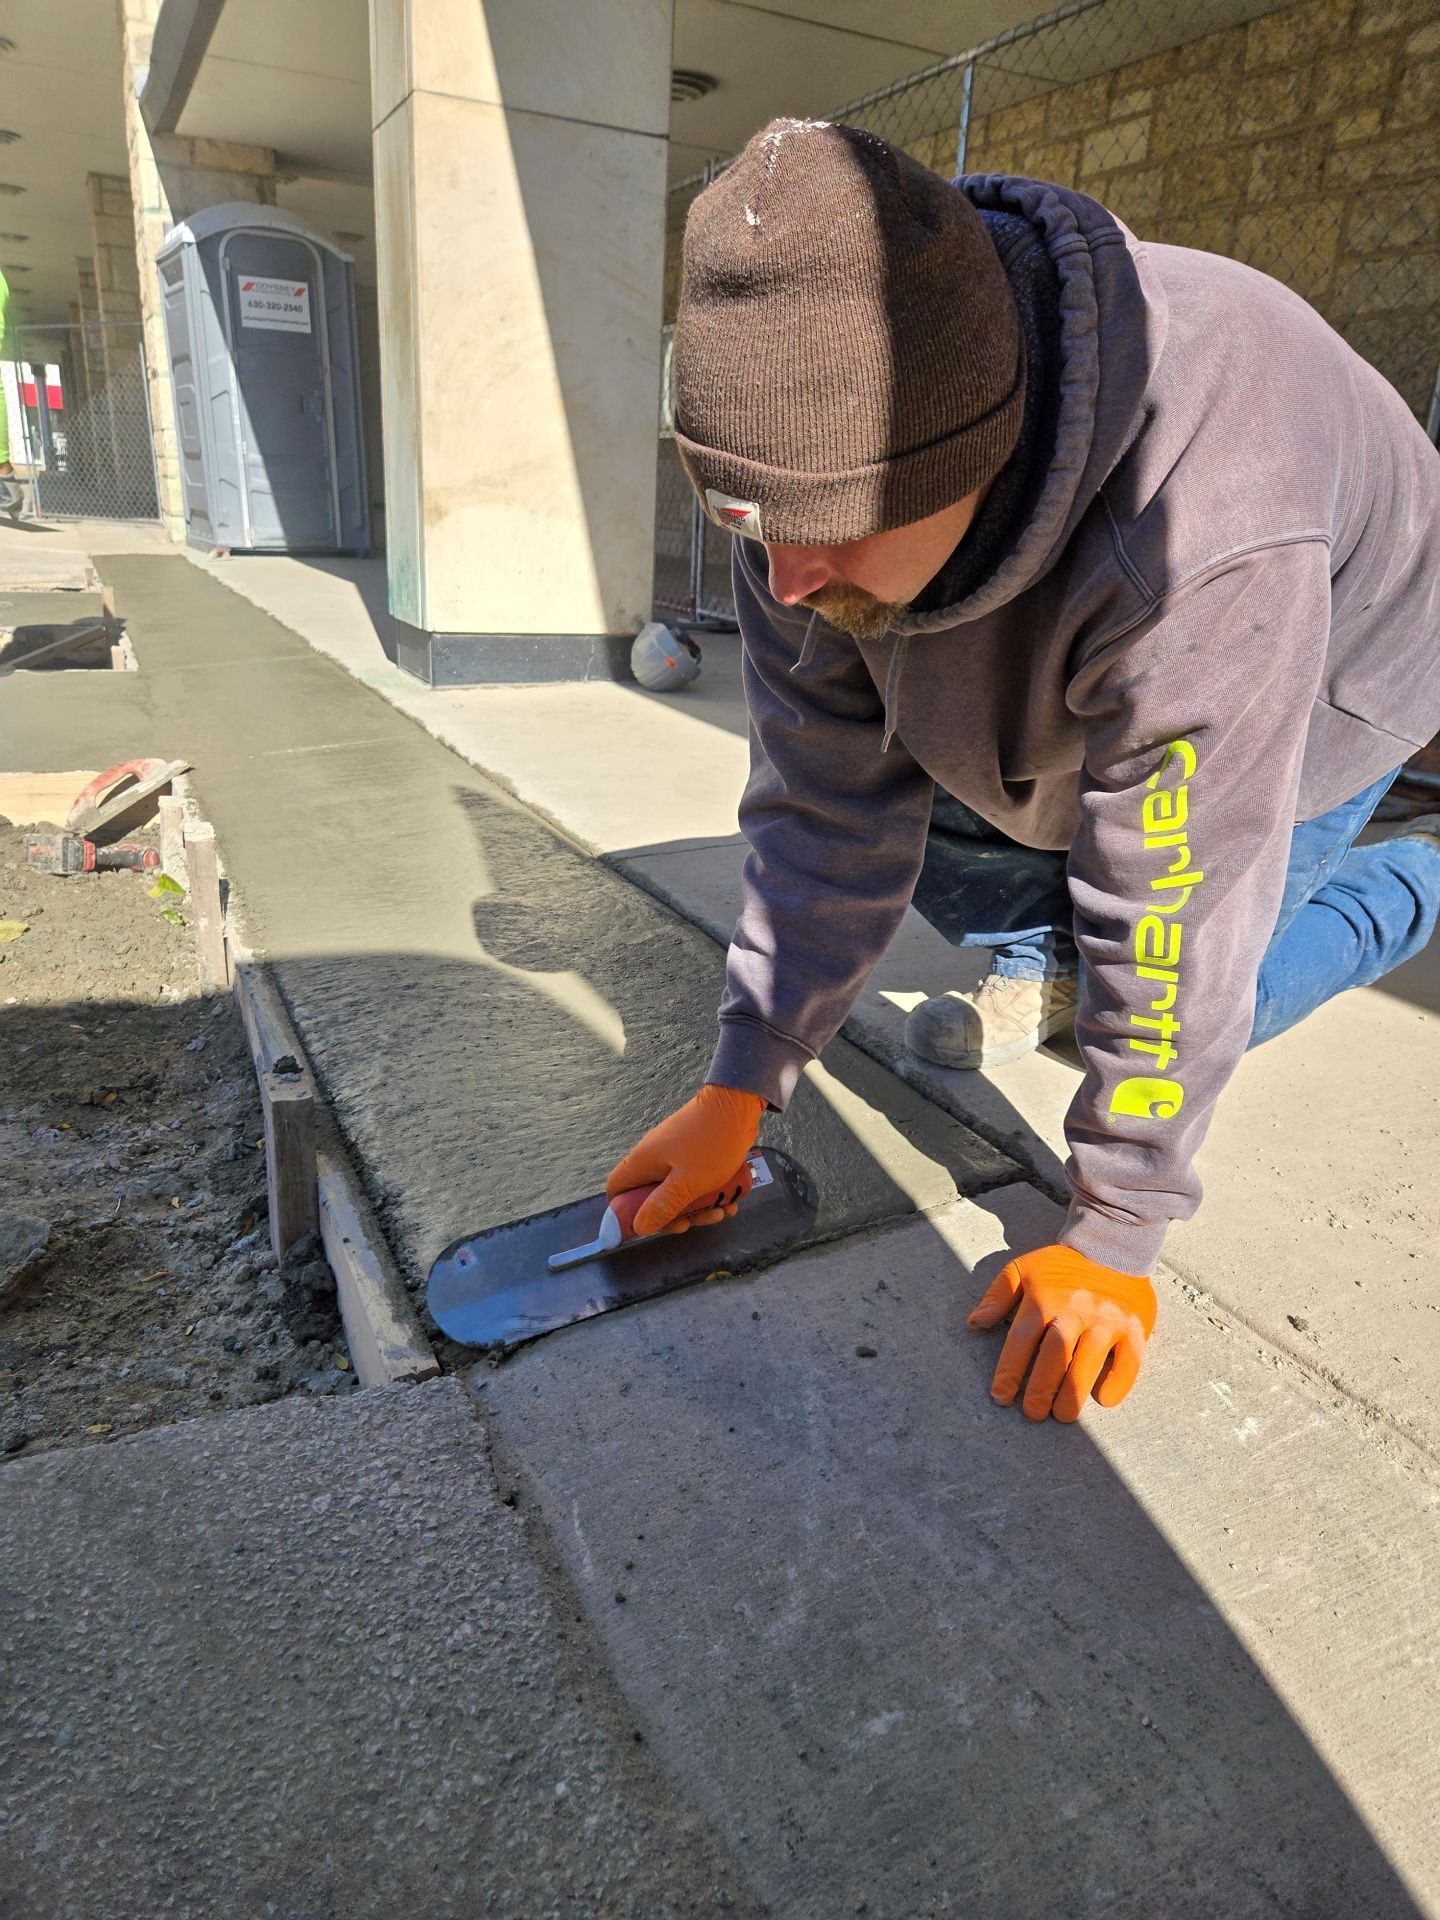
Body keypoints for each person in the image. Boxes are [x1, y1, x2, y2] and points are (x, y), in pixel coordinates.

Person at [606, 119, 1440, 1424]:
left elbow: (1173, 906)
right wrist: (743, 1075)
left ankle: (1409, 887)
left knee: (1205, 991)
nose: (783, 586)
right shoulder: (801, 491)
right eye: (746, 530)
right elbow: (827, 805)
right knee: (1002, 894)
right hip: (1084, 620)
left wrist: (1116, 1225)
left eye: (821, 538)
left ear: (964, 458)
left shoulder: (1201, 521)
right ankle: (1059, 969)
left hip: (1334, 669)